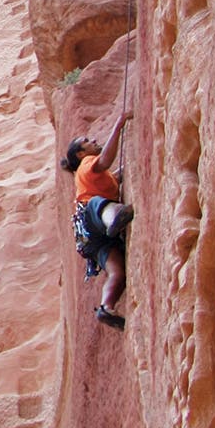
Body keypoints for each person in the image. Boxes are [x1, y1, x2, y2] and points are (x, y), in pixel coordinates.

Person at [62, 109, 133, 329]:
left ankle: (106, 307)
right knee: (96, 204)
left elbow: (113, 176)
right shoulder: (86, 164)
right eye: (86, 142)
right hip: (93, 219)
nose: (93, 141)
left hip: (91, 241)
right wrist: (118, 124)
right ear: (81, 154)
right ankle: (114, 217)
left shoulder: (92, 177)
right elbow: (104, 161)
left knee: (117, 271)